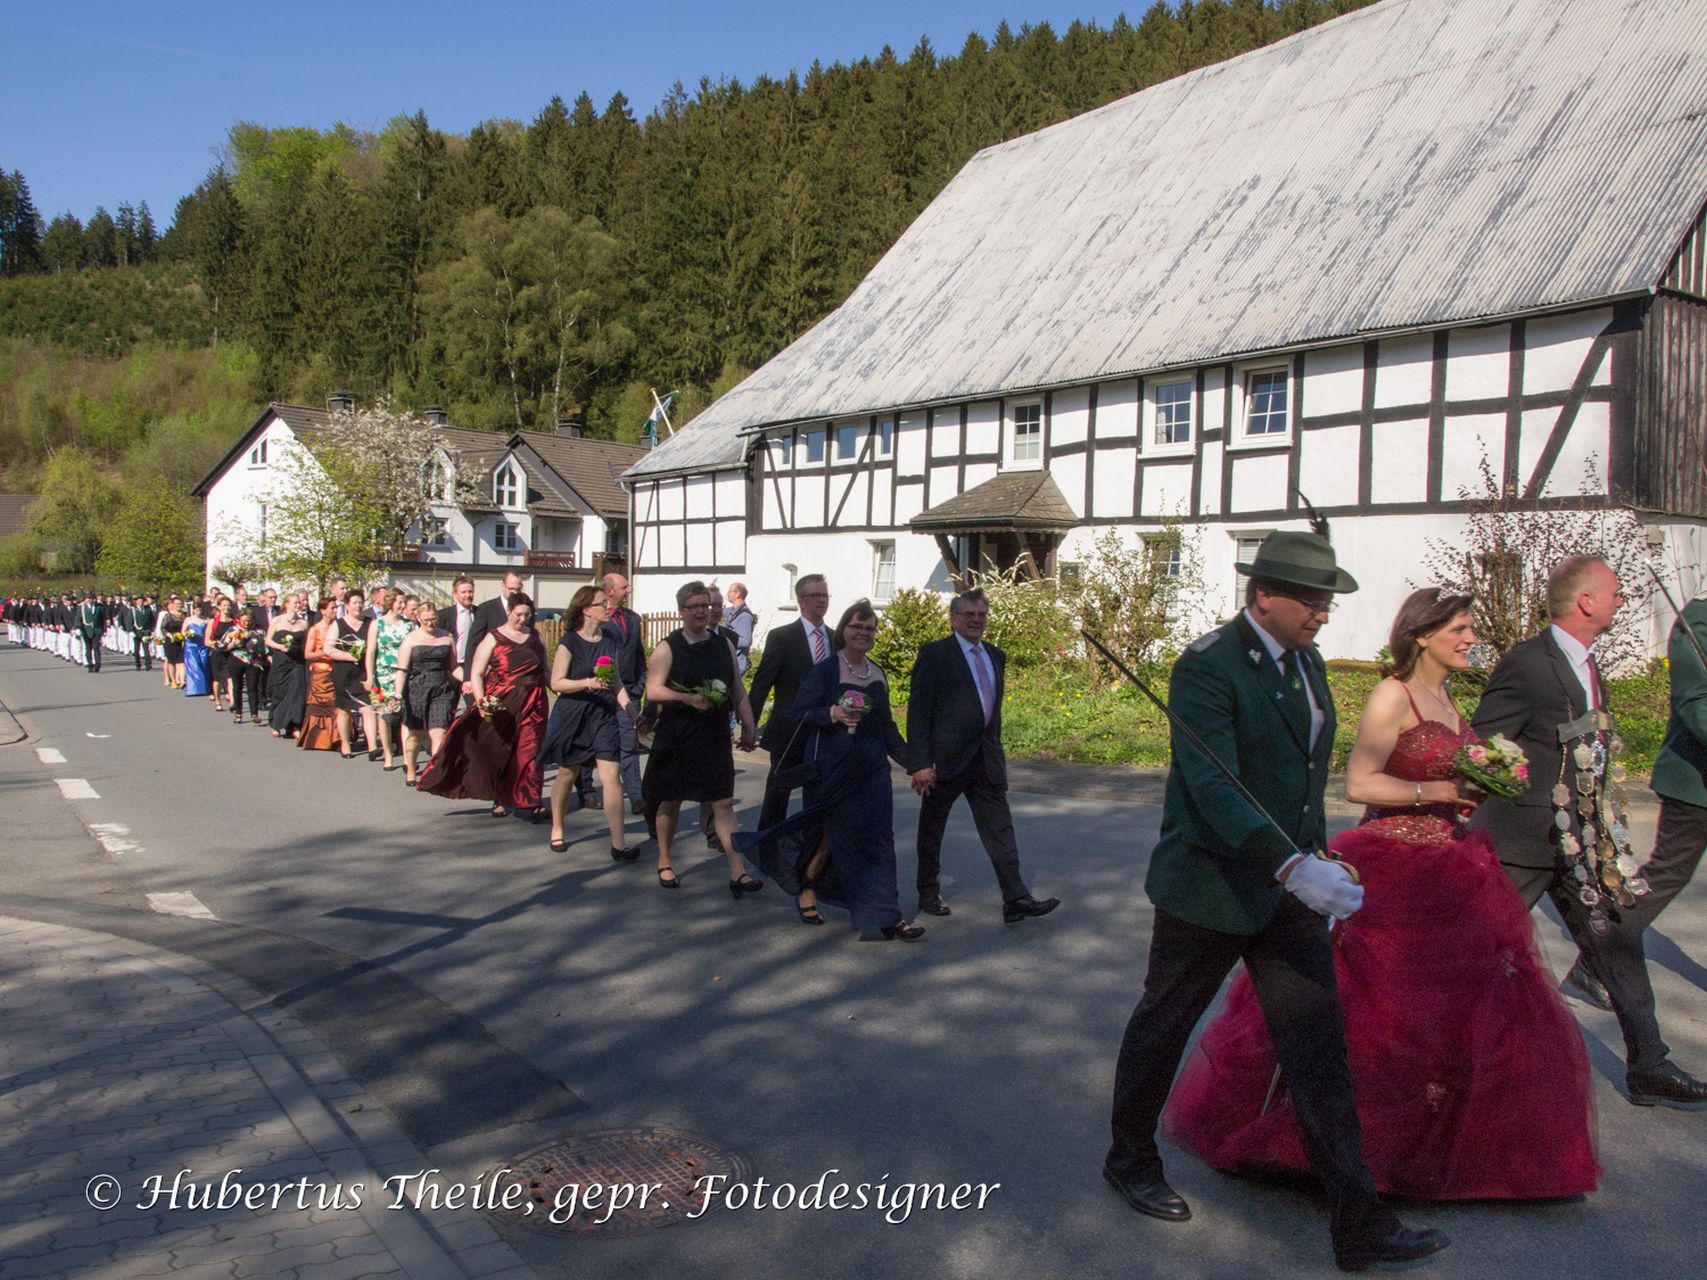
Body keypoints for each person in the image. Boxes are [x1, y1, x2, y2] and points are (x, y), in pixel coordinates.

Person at [1162, 587, 1599, 1199]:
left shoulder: (1450, 697)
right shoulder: (1393, 694)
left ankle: (1433, 1150)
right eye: (1459, 629)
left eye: (1470, 629)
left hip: (1452, 864)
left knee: (1455, 1011)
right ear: (1423, 634)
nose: (1470, 639)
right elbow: (1361, 782)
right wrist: (1434, 792)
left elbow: (1450, 778)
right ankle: (1345, 1154)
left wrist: (1479, 785)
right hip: (1392, 862)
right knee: (1380, 1014)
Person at [1103, 529, 1447, 1273]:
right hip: (1210, 886)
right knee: (1165, 1023)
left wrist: (1315, 857)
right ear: (1263, 596)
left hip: (1290, 892)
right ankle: (1129, 1158)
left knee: (1317, 1049)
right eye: (1312, 601)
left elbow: (1301, 780)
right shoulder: (1207, 666)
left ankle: (1359, 1222)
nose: (1323, 613)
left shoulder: (1307, 661)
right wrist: (1290, 864)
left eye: (1327, 602)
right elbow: (1214, 787)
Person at [1471, 556, 1707, 1107]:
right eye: (1615, 593)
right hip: (1523, 843)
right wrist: (1515, 788)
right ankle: (1433, 1059)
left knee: (1619, 940)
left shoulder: (1586, 661)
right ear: (1586, 602)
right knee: (1479, 952)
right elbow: (1483, 745)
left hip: (1579, 843)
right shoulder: (1528, 663)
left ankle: (1649, 1065)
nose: (1622, 600)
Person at [739, 600, 921, 940]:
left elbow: (887, 728)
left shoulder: (877, 673)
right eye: (856, 627)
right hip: (832, 768)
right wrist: (830, 714)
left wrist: (916, 765)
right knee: (827, 835)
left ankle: (889, 914)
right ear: (844, 631)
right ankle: (807, 883)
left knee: (880, 839)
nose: (863, 633)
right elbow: (797, 714)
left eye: (869, 628)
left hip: (873, 770)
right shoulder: (825, 671)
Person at [906, 589, 1059, 924]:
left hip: (985, 760)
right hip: (944, 762)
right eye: (969, 614)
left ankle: (1015, 898)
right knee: (932, 831)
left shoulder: (995, 655)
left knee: (1000, 830)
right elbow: (918, 712)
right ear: (954, 619)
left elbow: (992, 711)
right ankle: (928, 892)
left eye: (981, 615)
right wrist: (919, 762)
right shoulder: (935, 654)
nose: (976, 620)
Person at [642, 581, 761, 893]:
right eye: (694, 607)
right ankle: (665, 860)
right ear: (681, 611)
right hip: (677, 735)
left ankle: (738, 872)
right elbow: (653, 690)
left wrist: (749, 726)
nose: (701, 612)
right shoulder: (668, 647)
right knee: (671, 801)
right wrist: (687, 698)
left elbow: (736, 687)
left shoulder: (723, 645)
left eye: (705, 606)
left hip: (713, 733)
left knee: (723, 801)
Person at [418, 592, 549, 817]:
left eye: (527, 615)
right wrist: (481, 702)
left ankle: (532, 801)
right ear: (509, 611)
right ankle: (499, 796)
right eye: (518, 614)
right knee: (499, 750)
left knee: (530, 749)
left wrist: (563, 687)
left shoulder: (536, 637)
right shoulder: (493, 638)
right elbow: (477, 673)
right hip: (502, 703)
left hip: (534, 702)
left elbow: (545, 670)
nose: (522, 619)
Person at [540, 584, 634, 859]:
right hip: (574, 713)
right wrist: (588, 682)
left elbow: (615, 680)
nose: (607, 607)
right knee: (567, 774)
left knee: (611, 777)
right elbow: (557, 683)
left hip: (603, 715)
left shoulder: (609, 639)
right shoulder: (569, 641)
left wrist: (630, 710)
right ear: (586, 610)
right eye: (602, 604)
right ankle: (557, 827)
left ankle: (619, 843)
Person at [748, 574, 833, 830]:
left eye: (825, 595)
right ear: (801, 600)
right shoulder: (782, 637)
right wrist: (749, 726)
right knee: (778, 791)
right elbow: (762, 683)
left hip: (826, 728)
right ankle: (767, 841)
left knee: (822, 790)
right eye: (815, 595)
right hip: (790, 729)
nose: (821, 600)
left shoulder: (836, 638)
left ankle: (813, 844)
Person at [396, 601, 459, 786]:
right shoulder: (410, 639)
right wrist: (397, 694)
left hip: (441, 689)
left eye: (433, 619)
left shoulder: (447, 637)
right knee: (416, 733)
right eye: (426, 620)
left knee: (439, 732)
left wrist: (470, 681)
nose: (431, 624)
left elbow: (454, 667)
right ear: (418, 618)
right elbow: (402, 670)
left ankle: (434, 773)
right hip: (417, 689)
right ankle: (410, 768)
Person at [601, 572, 647, 811]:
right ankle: (587, 790)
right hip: (601, 692)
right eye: (624, 587)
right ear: (610, 591)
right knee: (598, 743)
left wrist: (639, 685)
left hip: (629, 690)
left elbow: (638, 653)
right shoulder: (597, 617)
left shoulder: (632, 618)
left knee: (629, 743)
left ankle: (636, 795)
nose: (629, 590)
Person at [367, 588, 412, 770]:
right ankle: (388, 754)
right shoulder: (377, 624)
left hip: (404, 673)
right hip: (384, 675)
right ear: (390, 602)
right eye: (400, 602)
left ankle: (408, 758)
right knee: (385, 716)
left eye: (404, 602)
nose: (403, 606)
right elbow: (371, 652)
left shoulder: (409, 625)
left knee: (406, 716)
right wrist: (369, 676)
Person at [331, 589, 377, 759]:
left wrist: (371, 675)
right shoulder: (338, 624)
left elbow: (374, 648)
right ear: (347, 605)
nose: (358, 605)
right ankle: (345, 743)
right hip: (343, 672)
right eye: (354, 603)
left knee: (368, 707)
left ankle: (372, 746)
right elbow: (328, 648)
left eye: (360, 602)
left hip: (364, 671)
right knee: (345, 710)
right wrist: (349, 656)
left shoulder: (370, 623)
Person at [297, 597, 346, 754]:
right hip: (320, 672)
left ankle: (338, 738)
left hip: (336, 670)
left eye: (336, 607)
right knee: (320, 706)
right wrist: (325, 652)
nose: (335, 611)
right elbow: (307, 654)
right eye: (332, 608)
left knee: (338, 705)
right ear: (323, 611)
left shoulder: (339, 627)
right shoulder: (315, 629)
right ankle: (318, 738)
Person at [266, 593, 309, 740]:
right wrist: (280, 647)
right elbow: (268, 640)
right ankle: (276, 724)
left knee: (297, 692)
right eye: (294, 602)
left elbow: (305, 644)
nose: (298, 605)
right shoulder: (277, 620)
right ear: (286, 604)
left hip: (297, 662)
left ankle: (294, 725)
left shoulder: (303, 623)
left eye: (299, 602)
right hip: (281, 660)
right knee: (281, 692)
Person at [469, 571, 524, 663]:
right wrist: (470, 671)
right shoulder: (486, 609)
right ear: (503, 585)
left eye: (518, 589)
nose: (514, 592)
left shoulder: (526, 610)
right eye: (511, 588)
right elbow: (474, 643)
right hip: (493, 666)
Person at [443, 576, 479, 705]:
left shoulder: (480, 613)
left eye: (470, 591)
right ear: (455, 594)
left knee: (473, 706)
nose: (468, 595)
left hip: (472, 667)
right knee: (449, 706)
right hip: (451, 667)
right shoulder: (444, 615)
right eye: (463, 592)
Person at [723, 581, 755, 677]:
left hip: (737, 666)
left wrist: (725, 641)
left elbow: (745, 641)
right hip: (729, 664)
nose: (727, 594)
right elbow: (718, 611)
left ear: (738, 594)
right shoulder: (733, 611)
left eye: (730, 591)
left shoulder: (744, 616)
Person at [182, 603, 213, 699]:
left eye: (200, 610)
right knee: (194, 665)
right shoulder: (188, 619)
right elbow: (183, 631)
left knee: (204, 664)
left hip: (202, 644)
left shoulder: (206, 620)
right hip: (191, 645)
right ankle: (194, 689)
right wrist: (187, 634)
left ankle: (205, 687)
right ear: (194, 610)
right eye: (197, 610)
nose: (199, 612)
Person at [74, 593, 106, 674]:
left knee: (96, 647)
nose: (89, 600)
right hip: (86, 629)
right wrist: (77, 627)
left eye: (90, 598)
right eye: (87, 598)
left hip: (97, 629)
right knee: (88, 647)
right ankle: (90, 665)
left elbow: (103, 618)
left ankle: (97, 664)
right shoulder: (82, 608)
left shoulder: (99, 606)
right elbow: (78, 618)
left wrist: (104, 629)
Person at [159, 598, 187, 689]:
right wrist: (169, 635)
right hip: (171, 641)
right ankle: (173, 681)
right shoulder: (168, 615)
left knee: (181, 662)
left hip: (182, 641)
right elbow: (163, 628)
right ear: (173, 605)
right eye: (177, 604)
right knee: (172, 662)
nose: (179, 605)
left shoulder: (185, 615)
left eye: (180, 603)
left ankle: (182, 681)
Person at [130, 594, 158, 673]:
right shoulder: (133, 610)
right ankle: (138, 665)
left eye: (142, 601)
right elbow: (130, 620)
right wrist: (130, 631)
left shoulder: (147, 609)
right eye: (139, 601)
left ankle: (148, 665)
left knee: (146, 649)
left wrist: (152, 630)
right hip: (136, 632)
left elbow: (152, 621)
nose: (141, 603)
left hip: (146, 632)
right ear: (136, 602)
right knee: (136, 650)